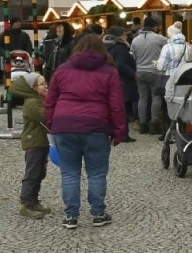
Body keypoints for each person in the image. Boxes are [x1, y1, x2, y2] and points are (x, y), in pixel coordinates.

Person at [43, 34, 126, 229]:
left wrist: (52, 123)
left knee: (69, 173)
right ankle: (98, 213)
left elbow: (50, 101)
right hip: (96, 126)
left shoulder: (62, 70)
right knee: (97, 173)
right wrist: (119, 131)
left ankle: (70, 216)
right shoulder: (109, 72)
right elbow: (116, 105)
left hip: (64, 125)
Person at [8, 70, 52, 217]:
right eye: (41, 84)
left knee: (40, 172)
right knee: (32, 174)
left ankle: (34, 200)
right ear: (33, 88)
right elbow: (45, 117)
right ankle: (25, 203)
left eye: (45, 83)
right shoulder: (32, 103)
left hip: (41, 141)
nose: (45, 86)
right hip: (34, 142)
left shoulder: (39, 99)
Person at [131, 15, 167, 134]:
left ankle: (142, 124)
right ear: (154, 26)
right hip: (155, 71)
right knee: (156, 97)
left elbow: (133, 56)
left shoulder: (135, 39)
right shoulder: (160, 39)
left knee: (143, 98)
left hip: (140, 71)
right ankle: (154, 124)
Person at [105, 25, 139, 140]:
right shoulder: (121, 48)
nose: (126, 36)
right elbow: (120, 64)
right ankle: (123, 134)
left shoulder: (107, 46)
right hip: (123, 81)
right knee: (124, 108)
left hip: (110, 79)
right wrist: (133, 73)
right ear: (119, 36)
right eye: (124, 34)